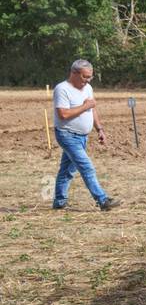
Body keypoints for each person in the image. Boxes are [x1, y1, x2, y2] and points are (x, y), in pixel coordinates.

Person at [52, 59, 120, 211]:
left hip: (82, 136)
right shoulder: (62, 89)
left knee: (67, 170)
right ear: (74, 73)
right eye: (85, 77)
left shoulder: (88, 88)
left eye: (90, 77)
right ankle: (102, 200)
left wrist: (99, 129)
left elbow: (92, 109)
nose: (88, 80)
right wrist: (86, 106)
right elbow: (63, 114)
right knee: (86, 167)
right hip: (67, 135)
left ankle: (59, 202)